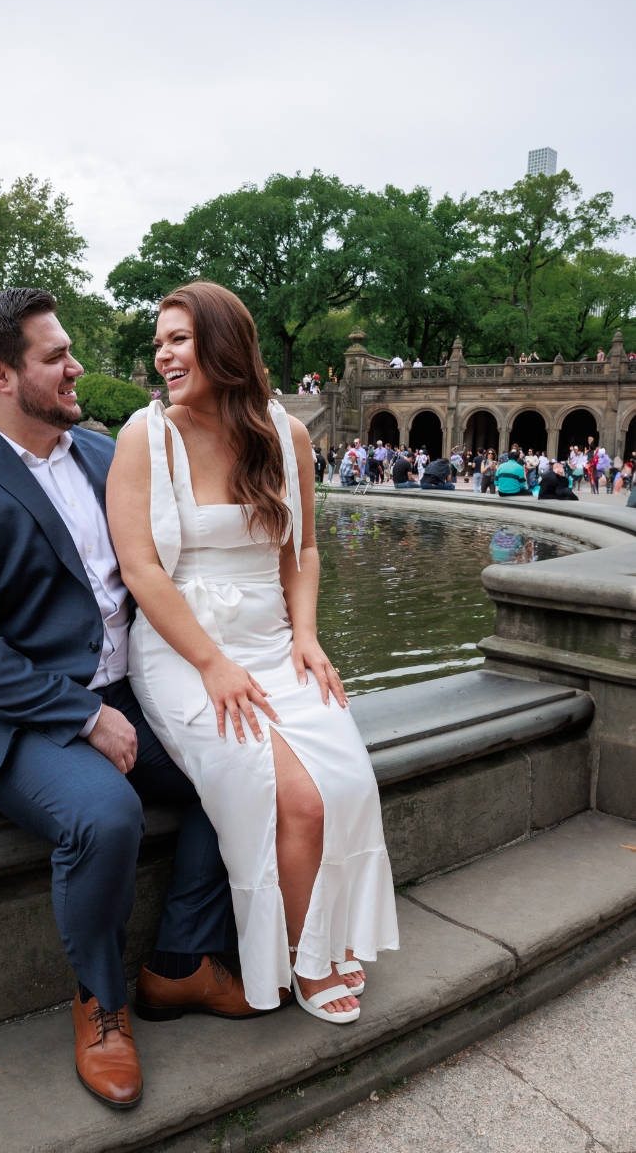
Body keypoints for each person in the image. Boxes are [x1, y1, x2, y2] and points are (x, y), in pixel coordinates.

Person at [0, 288, 247, 1112]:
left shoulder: (99, 454)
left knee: (234, 765)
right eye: (55, 356)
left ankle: (180, 963)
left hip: (117, 688)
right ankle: (102, 1005)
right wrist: (85, 716)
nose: (76, 364)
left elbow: (161, 571)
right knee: (105, 815)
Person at [108, 282, 398, 1026]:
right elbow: (141, 568)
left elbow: (301, 549)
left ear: (223, 342)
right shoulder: (147, 436)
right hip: (185, 649)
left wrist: (307, 634)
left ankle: (330, 932)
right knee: (291, 796)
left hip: (274, 639)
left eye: (178, 339)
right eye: (158, 343)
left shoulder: (285, 433)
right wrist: (211, 663)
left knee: (347, 779)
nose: (163, 355)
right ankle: (305, 955)